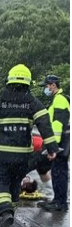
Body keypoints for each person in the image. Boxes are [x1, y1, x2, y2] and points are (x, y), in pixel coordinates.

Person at [0, 64, 56, 227]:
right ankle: (11, 213)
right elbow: (45, 124)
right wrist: (51, 148)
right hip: (23, 154)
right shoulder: (32, 102)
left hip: (2, 152)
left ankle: (5, 212)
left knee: (0, 181)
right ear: (28, 82)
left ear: (10, 80)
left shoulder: (1, 100)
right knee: (15, 182)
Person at [41, 74, 70, 211]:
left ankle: (60, 202)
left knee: (59, 172)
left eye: (47, 85)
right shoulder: (57, 99)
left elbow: (58, 124)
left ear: (53, 85)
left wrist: (54, 147)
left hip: (61, 142)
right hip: (61, 142)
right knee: (57, 171)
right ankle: (57, 200)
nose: (46, 88)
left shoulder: (59, 99)